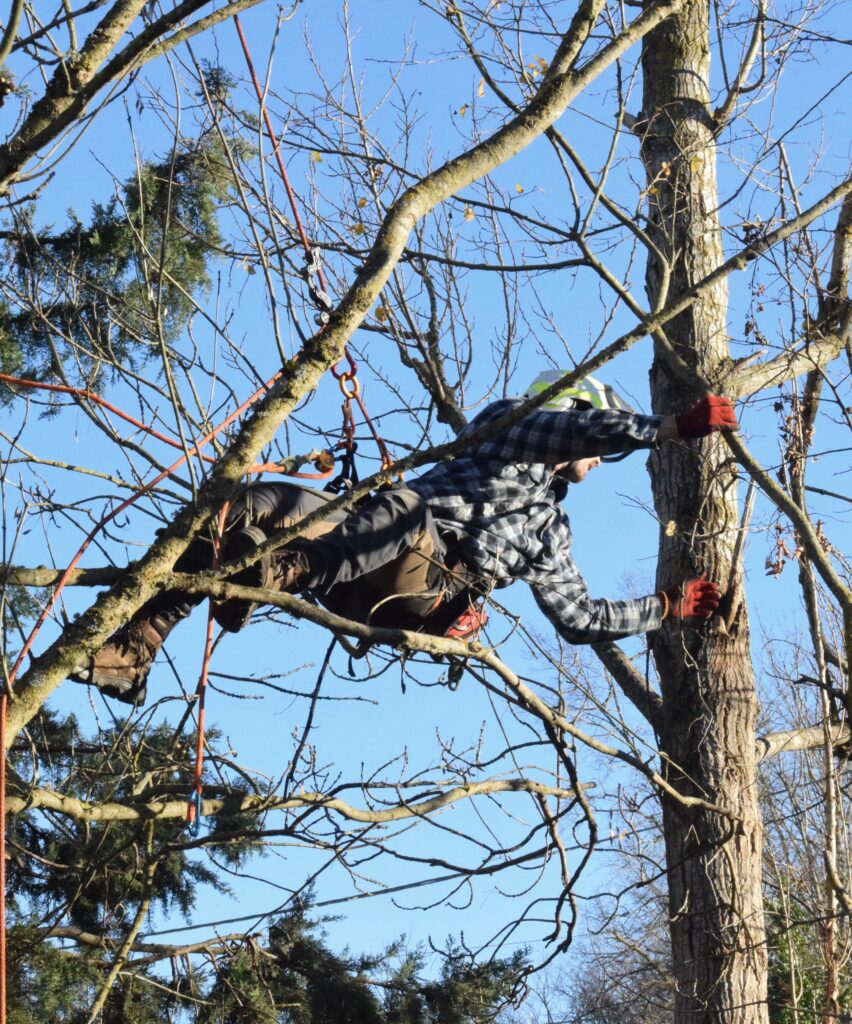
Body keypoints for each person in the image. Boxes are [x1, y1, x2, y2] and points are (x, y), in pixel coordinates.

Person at [70, 375, 737, 705]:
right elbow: (567, 436)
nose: (594, 466)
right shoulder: (510, 428)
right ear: (575, 419)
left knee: (402, 511)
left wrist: (664, 608)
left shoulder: (550, 528)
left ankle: (274, 573)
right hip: (366, 550)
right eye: (595, 444)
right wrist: (668, 427)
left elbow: (577, 618)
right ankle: (136, 646)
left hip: (420, 584)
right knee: (248, 502)